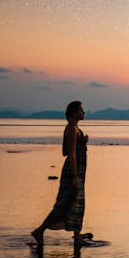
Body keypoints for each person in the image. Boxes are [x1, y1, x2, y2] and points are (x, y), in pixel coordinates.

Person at [31, 101, 90, 248]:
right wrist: (75, 176)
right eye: (81, 110)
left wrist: (82, 142)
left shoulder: (75, 129)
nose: (84, 113)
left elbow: (65, 151)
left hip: (78, 171)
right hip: (73, 172)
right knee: (64, 205)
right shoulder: (71, 129)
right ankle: (39, 231)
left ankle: (77, 236)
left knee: (77, 204)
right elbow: (70, 154)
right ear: (74, 113)